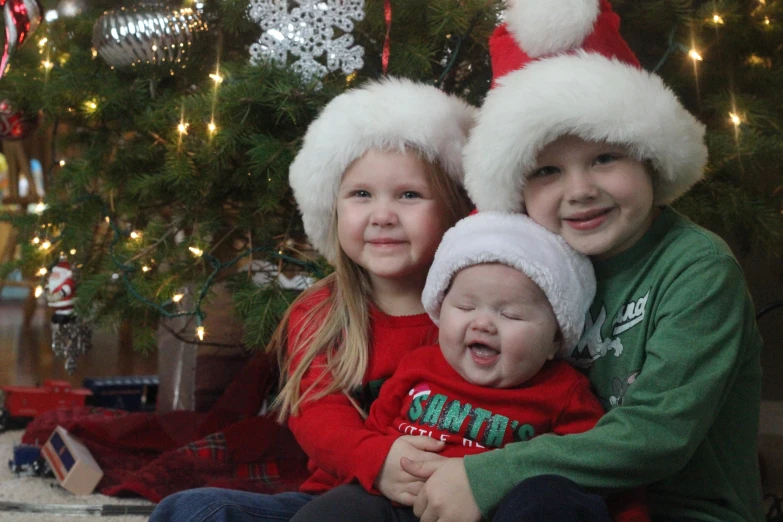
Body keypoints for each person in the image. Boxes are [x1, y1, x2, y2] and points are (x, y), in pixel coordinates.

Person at [402, 1, 764, 522]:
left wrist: (488, 475)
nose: (580, 191)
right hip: (548, 499)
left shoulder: (697, 268)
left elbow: (657, 435)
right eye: (547, 171)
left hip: (678, 509)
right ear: (519, 187)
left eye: (604, 158)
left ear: (649, 156)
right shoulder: (532, 259)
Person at [147, 77, 475, 522]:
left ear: (456, 208)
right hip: (336, 503)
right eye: (361, 195)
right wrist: (378, 462)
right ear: (332, 209)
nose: (382, 216)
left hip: (445, 503)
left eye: (409, 195)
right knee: (195, 510)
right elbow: (320, 417)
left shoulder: (479, 307)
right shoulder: (320, 313)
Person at [289, 211, 649, 522]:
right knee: (339, 509)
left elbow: (603, 475)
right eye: (464, 307)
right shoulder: (419, 366)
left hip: (496, 508)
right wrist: (376, 469)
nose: (483, 324)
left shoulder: (564, 393)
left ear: (556, 339)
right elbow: (376, 435)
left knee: (550, 500)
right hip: (409, 505)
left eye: (510, 314)